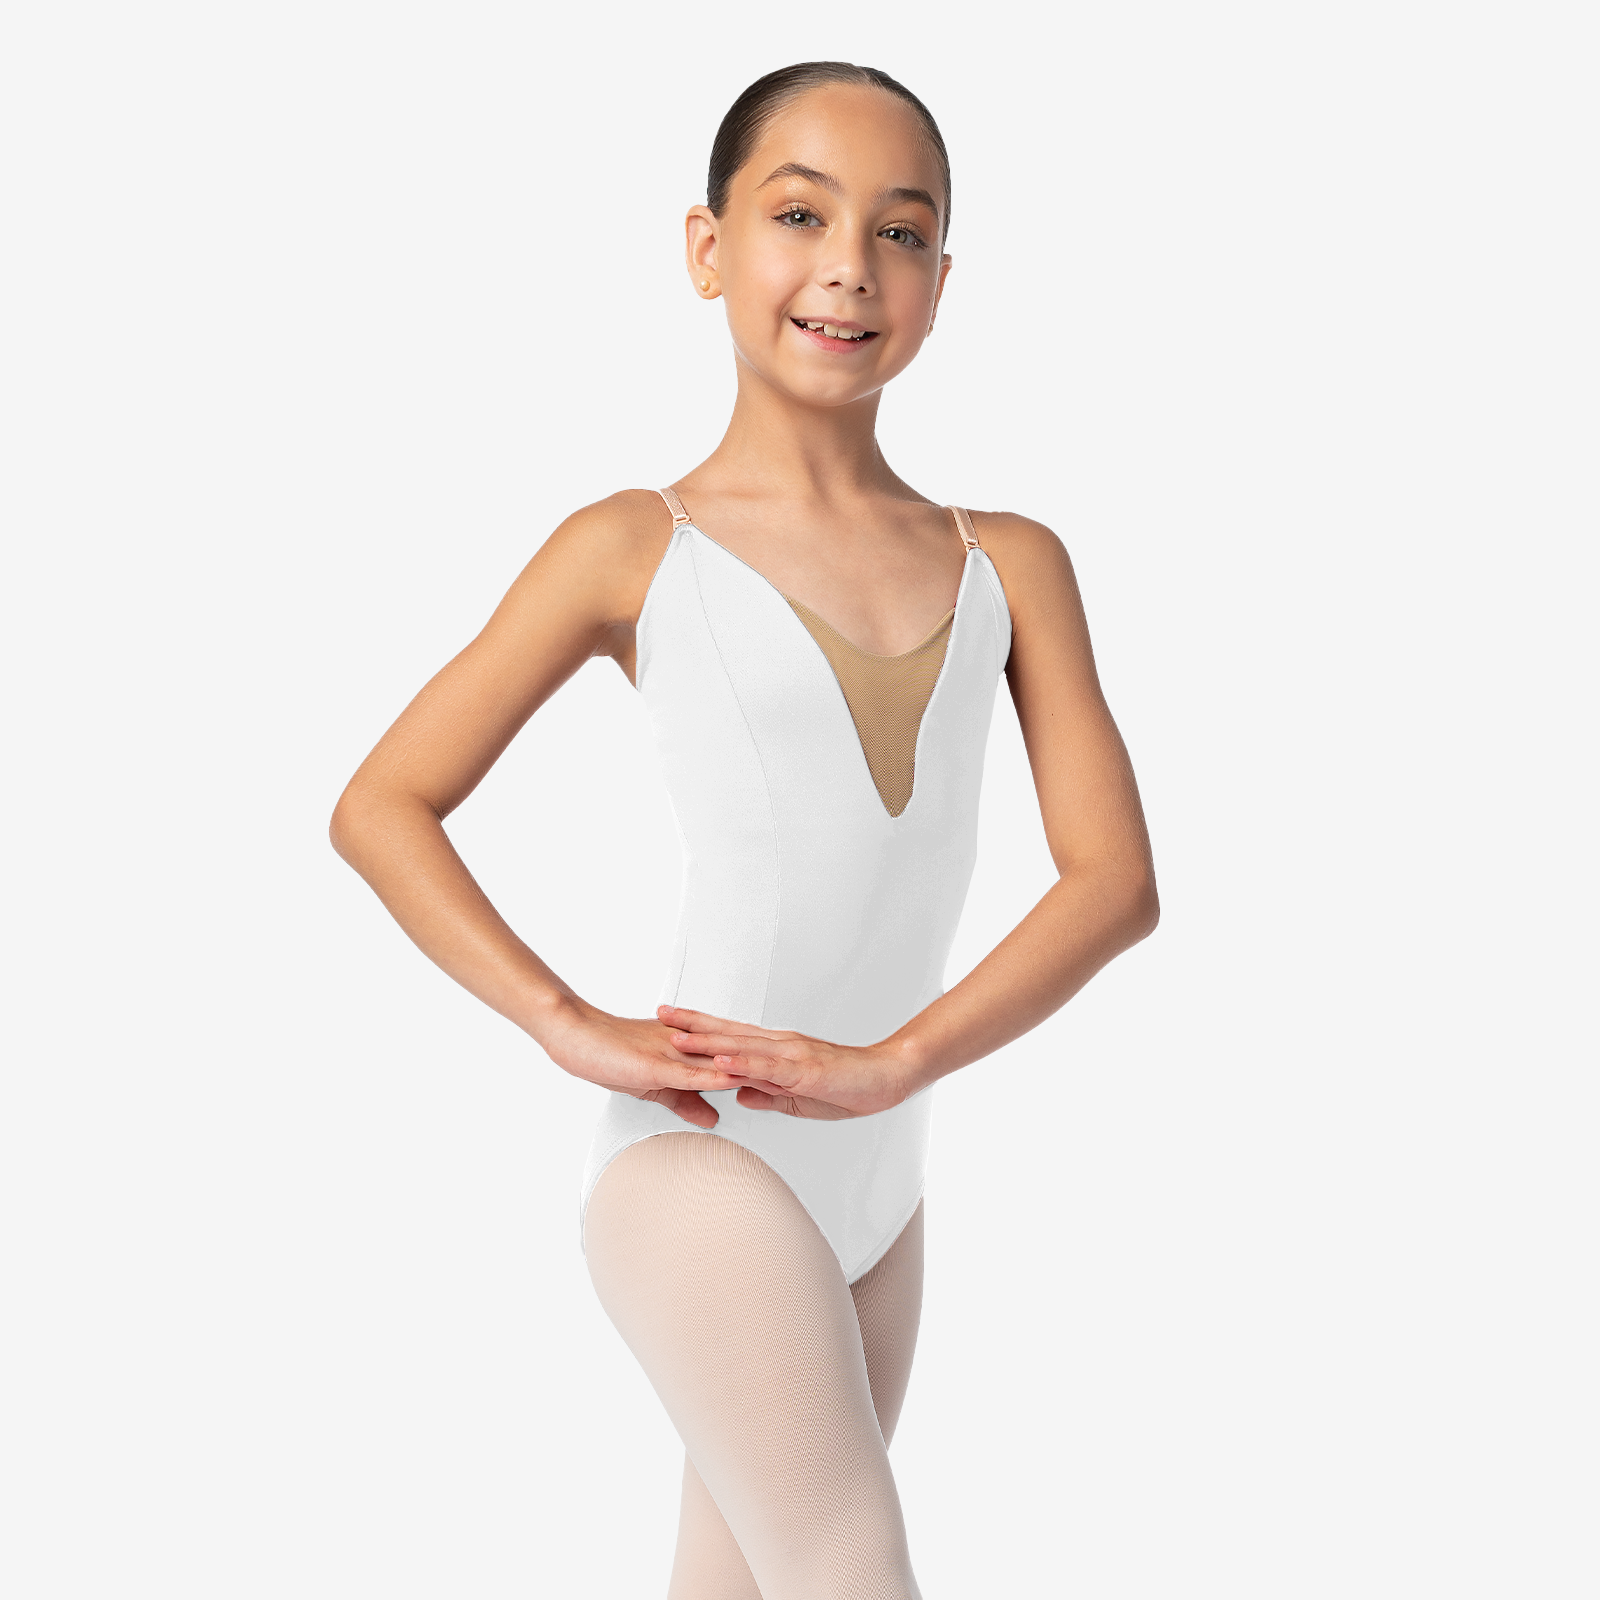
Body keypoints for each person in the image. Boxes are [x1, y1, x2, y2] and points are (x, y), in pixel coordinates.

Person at [331, 60, 1157, 1600]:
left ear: (942, 280)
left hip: (882, 1187)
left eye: (900, 232)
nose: (851, 265)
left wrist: (897, 1066)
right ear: (709, 250)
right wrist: (563, 1022)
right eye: (800, 215)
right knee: (851, 1572)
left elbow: (1115, 883)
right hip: (698, 1165)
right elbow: (383, 805)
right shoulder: (633, 545)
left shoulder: (1014, 564)